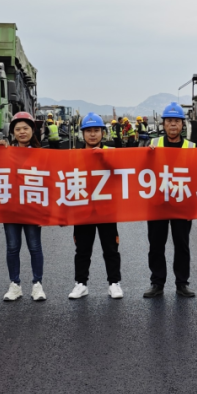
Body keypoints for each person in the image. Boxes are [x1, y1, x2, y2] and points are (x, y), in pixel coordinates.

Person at [143, 102, 196, 298]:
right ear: (163, 124)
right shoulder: (153, 145)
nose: (173, 124)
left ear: (182, 124)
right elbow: (140, 170)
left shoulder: (192, 147)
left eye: (177, 121)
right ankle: (157, 283)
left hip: (182, 203)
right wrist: (145, 156)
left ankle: (182, 283)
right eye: (169, 121)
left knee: (182, 245)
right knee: (156, 245)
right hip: (158, 204)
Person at [69, 113, 123, 300]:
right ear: (82, 133)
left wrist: (105, 158)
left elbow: (123, 172)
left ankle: (114, 283)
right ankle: (81, 283)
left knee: (111, 248)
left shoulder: (112, 152)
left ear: (102, 133)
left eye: (96, 131)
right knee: (82, 249)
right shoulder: (74, 155)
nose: (92, 134)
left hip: (107, 209)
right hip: (83, 208)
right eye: (89, 131)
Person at [3, 111, 46, 302]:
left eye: (25, 128)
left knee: (34, 247)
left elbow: (49, 183)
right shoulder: (5, 152)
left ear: (32, 130)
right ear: (13, 132)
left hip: (33, 208)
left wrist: (45, 212)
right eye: (18, 129)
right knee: (13, 248)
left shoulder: (42, 154)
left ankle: (37, 284)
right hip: (11, 209)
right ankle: (15, 285)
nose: (22, 132)